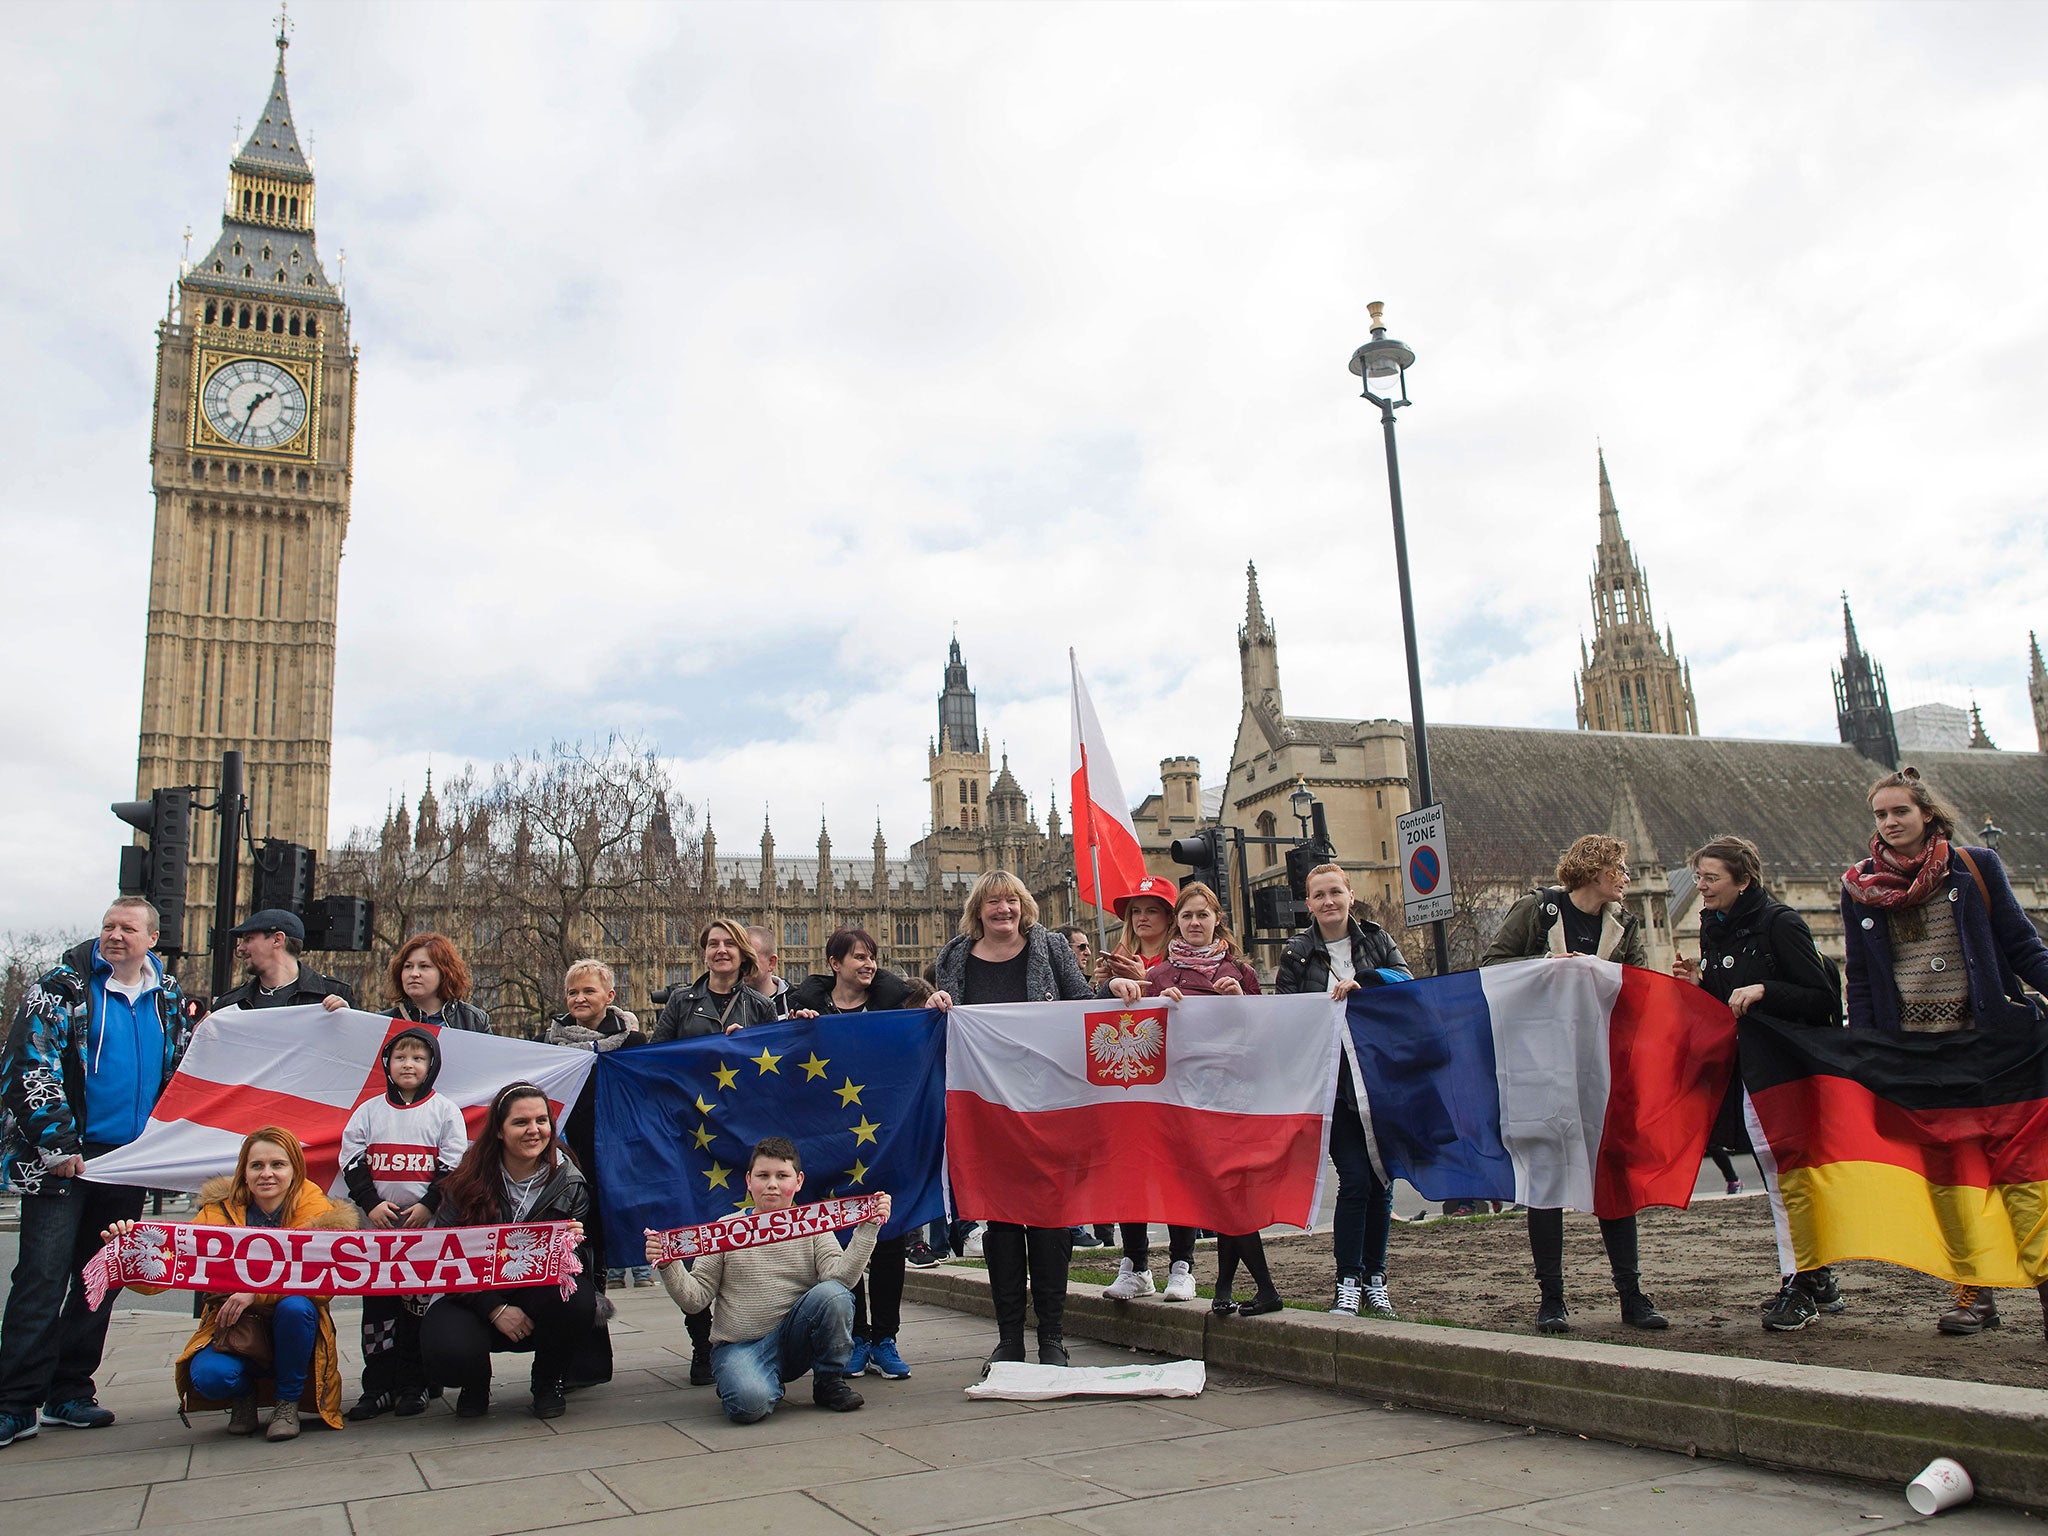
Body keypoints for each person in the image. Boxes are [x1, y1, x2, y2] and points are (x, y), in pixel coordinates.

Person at [1840, 766, 2048, 1340]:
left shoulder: (1976, 865)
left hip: (1991, 1045)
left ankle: (2045, 1283)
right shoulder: (1859, 884)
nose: (1890, 822)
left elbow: (2022, 945)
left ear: (1927, 813)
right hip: (1919, 1055)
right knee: (1949, 1181)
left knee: (2022, 1177)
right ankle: (1974, 1291)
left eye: (1900, 811)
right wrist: (1870, 1049)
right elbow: (1859, 977)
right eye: (1881, 814)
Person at [0, 898, 186, 1448]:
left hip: (124, 1160)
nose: (115, 935)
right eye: (108, 926)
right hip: (63, 1158)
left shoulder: (168, 995)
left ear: (152, 938)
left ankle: (70, 1392)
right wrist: (57, 1142)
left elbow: (184, 1066)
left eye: (128, 928)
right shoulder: (61, 988)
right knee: (41, 1277)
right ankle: (14, 1402)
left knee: (97, 1278)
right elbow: (29, 1062)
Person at [1482, 834, 1664, 1334]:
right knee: (1545, 1178)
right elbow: (1492, 967)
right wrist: (1545, 968)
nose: (1626, 878)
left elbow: (1640, 988)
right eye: (1621, 870)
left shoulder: (1623, 926)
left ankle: (1632, 1295)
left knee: (1613, 1176)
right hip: (1539, 1064)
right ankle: (1552, 1300)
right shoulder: (1538, 911)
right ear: (1597, 872)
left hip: (1601, 1064)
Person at [1671, 835, 1847, 1334]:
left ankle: (1801, 1282)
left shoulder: (1781, 923)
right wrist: (1702, 985)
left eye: (1711, 879)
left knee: (1789, 1175)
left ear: (1743, 881)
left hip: (1787, 1071)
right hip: (1748, 1069)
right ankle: (1815, 1275)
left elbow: (1821, 997)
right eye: (1699, 878)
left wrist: (1766, 990)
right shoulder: (1713, 927)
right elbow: (1729, 1002)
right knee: (1779, 1175)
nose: (1700, 887)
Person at [929, 870, 1095, 1371]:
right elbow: (949, 1018)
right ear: (978, 911)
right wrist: (936, 1003)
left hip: (1046, 1099)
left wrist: (1121, 987)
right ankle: (1008, 1339)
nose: (1004, 910)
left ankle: (1052, 1336)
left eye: (1012, 901)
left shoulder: (1049, 947)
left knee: (1050, 1219)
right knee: (1000, 1219)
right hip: (986, 1102)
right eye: (993, 902)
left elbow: (1082, 1004)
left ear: (1025, 905)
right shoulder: (955, 955)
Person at [105, 1127, 357, 1440]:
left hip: (294, 1328)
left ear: (295, 1170)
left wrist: (256, 1292)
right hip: (232, 1328)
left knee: (297, 1306)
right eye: (257, 1166)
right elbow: (167, 1273)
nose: (267, 1174)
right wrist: (130, 1254)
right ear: (244, 1172)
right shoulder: (216, 1212)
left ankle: (287, 1404)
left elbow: (322, 1286)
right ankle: (242, 1396)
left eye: (278, 1165)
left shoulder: (319, 1213)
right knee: (210, 1378)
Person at [1111, 882, 1280, 1316]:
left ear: (1216, 919)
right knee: (1201, 1186)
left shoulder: (1240, 970)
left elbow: (1263, 1032)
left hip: (1227, 1094)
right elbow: (1140, 1039)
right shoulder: (1160, 975)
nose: (1194, 923)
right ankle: (1231, 1288)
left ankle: (1236, 1284)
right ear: (1178, 924)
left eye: (1202, 915)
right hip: (1180, 1097)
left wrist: (1240, 1001)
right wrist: (1145, 997)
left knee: (1226, 1191)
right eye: (1187, 916)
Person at [646, 1136, 886, 1423]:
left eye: (781, 1176)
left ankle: (828, 1381)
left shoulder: (813, 1226)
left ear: (798, 1182)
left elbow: (841, 1281)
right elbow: (694, 1299)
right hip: (740, 1346)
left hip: (797, 1340)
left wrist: (867, 1229)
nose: (772, 1184)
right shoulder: (725, 1229)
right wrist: (670, 1265)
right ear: (749, 1181)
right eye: (763, 1176)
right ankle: (756, 1382)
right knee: (747, 1407)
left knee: (833, 1295)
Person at [1275, 864, 1411, 1320]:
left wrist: (1367, 983)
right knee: (1355, 1178)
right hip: (1332, 1085)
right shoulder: (1296, 954)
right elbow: (1287, 1016)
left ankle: (1377, 1279)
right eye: (1319, 895)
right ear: (1308, 903)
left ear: (1351, 895)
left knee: (1381, 1181)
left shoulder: (1376, 940)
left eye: (1336, 892)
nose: (1329, 901)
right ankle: (1347, 1280)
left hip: (1378, 1081)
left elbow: (1407, 984)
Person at [420, 1083, 600, 1420]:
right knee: (448, 1349)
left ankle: (548, 1380)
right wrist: (494, 1308)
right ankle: (475, 1383)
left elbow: (575, 1266)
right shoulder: (467, 1179)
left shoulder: (570, 1181)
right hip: (469, 1292)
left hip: (535, 1288)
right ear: (499, 1131)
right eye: (521, 1122)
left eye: (541, 1121)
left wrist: (571, 1246)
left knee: (577, 1300)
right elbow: (444, 1256)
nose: (534, 1131)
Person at [786, 928, 913, 1379]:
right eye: (859, 956)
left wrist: (935, 1006)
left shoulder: (896, 1005)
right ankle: (857, 1336)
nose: (869, 964)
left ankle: (886, 1337)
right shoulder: (808, 1009)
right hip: (831, 1138)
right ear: (834, 962)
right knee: (841, 1238)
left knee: (888, 1235)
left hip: (883, 1134)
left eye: (874, 956)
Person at [338, 1028, 470, 1418]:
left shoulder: (445, 1111)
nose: (408, 1064)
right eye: (400, 1057)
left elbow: (453, 1165)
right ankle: (377, 1385)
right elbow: (352, 1160)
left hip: (423, 1234)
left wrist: (429, 1205)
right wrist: (370, 1204)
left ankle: (414, 1384)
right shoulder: (369, 1111)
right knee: (377, 1312)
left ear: (431, 1066)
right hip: (377, 1232)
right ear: (387, 1065)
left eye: (417, 1058)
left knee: (416, 1310)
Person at [1090, 876, 1199, 1300]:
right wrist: (1101, 986)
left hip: (1175, 1082)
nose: (1142, 918)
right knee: (1129, 1170)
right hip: (1129, 1084)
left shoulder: (1188, 960)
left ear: (1169, 917)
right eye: (1136, 911)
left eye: (1151, 909)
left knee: (1176, 1171)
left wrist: (1150, 982)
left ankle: (1181, 1265)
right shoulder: (1117, 962)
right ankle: (1135, 1264)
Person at [547, 961, 648, 1287]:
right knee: (575, 1240)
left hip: (613, 1154)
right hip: (566, 1153)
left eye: (588, 991)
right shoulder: (547, 1043)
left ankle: (597, 1303)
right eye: (572, 992)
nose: (579, 998)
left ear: (609, 996)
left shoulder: (631, 1043)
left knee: (602, 1240)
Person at [650, 920, 779, 1041]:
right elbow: (654, 1057)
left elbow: (774, 1055)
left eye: (730, 944)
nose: (721, 950)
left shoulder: (762, 1006)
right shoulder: (680, 1001)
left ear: (743, 954)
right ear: (705, 954)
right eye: (713, 944)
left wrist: (746, 1043)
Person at [210, 910, 354, 1013]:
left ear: (277, 939)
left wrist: (349, 1022)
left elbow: (361, 1051)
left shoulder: (333, 994)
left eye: (248, 939)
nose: (240, 948)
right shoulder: (230, 1004)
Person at [386, 932, 493, 1032]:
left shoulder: (474, 1021)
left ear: (445, 972)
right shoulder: (384, 1023)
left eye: (424, 966)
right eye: (408, 966)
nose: (414, 973)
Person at [746, 925, 794, 1018]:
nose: (742, 965)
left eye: (750, 958)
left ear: (771, 962)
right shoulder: (725, 1005)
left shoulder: (797, 1003)